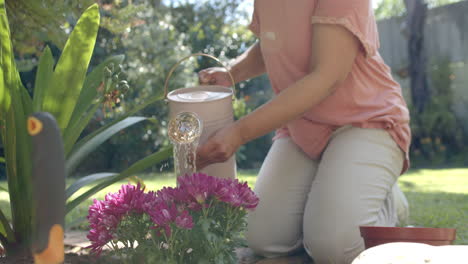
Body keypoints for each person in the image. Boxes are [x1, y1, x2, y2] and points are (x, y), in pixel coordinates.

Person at [196, 0, 411, 263]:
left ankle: (388, 202)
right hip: (303, 125)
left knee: (335, 248)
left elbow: (327, 77)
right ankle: (342, 197)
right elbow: (272, 42)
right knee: (263, 238)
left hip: (366, 119)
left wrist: (239, 133)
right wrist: (231, 73)